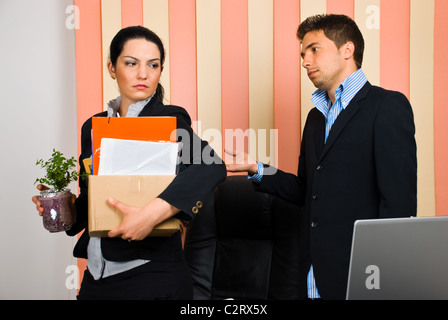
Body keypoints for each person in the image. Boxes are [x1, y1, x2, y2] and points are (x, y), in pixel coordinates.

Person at [226, 14, 417, 300]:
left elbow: (398, 205)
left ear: (347, 50)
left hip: (364, 275)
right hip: (314, 274)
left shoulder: (387, 106)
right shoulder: (316, 118)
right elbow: (307, 190)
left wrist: (383, 281)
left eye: (315, 49)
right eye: (303, 53)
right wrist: (257, 168)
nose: (305, 61)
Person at [32, 26, 226, 300]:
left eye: (153, 65)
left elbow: (212, 166)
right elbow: (92, 204)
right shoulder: (93, 126)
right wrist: (63, 208)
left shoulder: (168, 120)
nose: (143, 74)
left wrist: (150, 215)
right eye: (131, 63)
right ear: (112, 68)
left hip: (151, 277)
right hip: (95, 277)